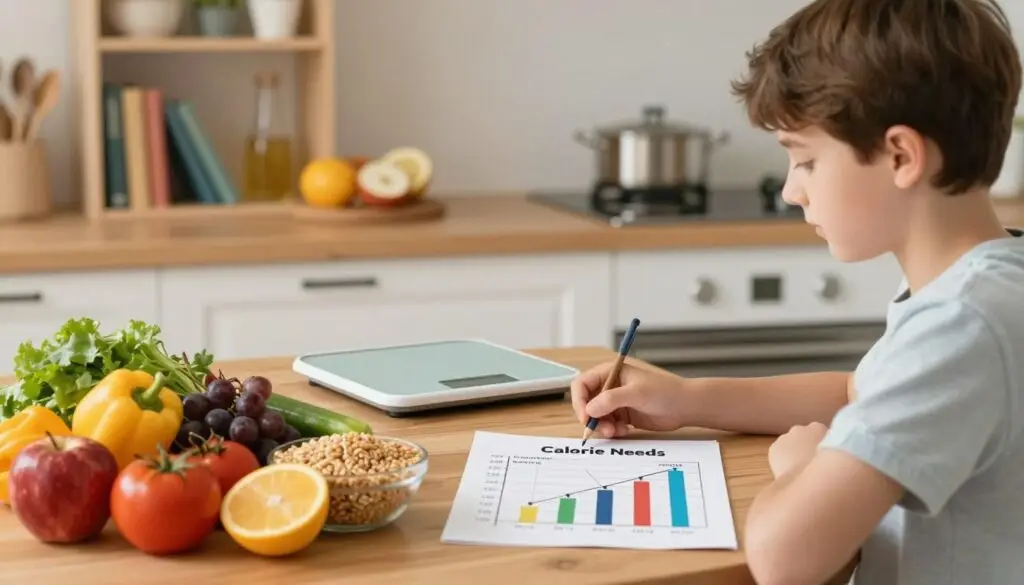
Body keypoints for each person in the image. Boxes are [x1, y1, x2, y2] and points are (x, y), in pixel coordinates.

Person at [570, 1, 1024, 584]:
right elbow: (860, 394)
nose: (791, 191)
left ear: (901, 156)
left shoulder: (961, 324)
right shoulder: (987, 283)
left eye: (806, 160)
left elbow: (784, 559)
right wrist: (688, 399)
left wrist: (802, 469)